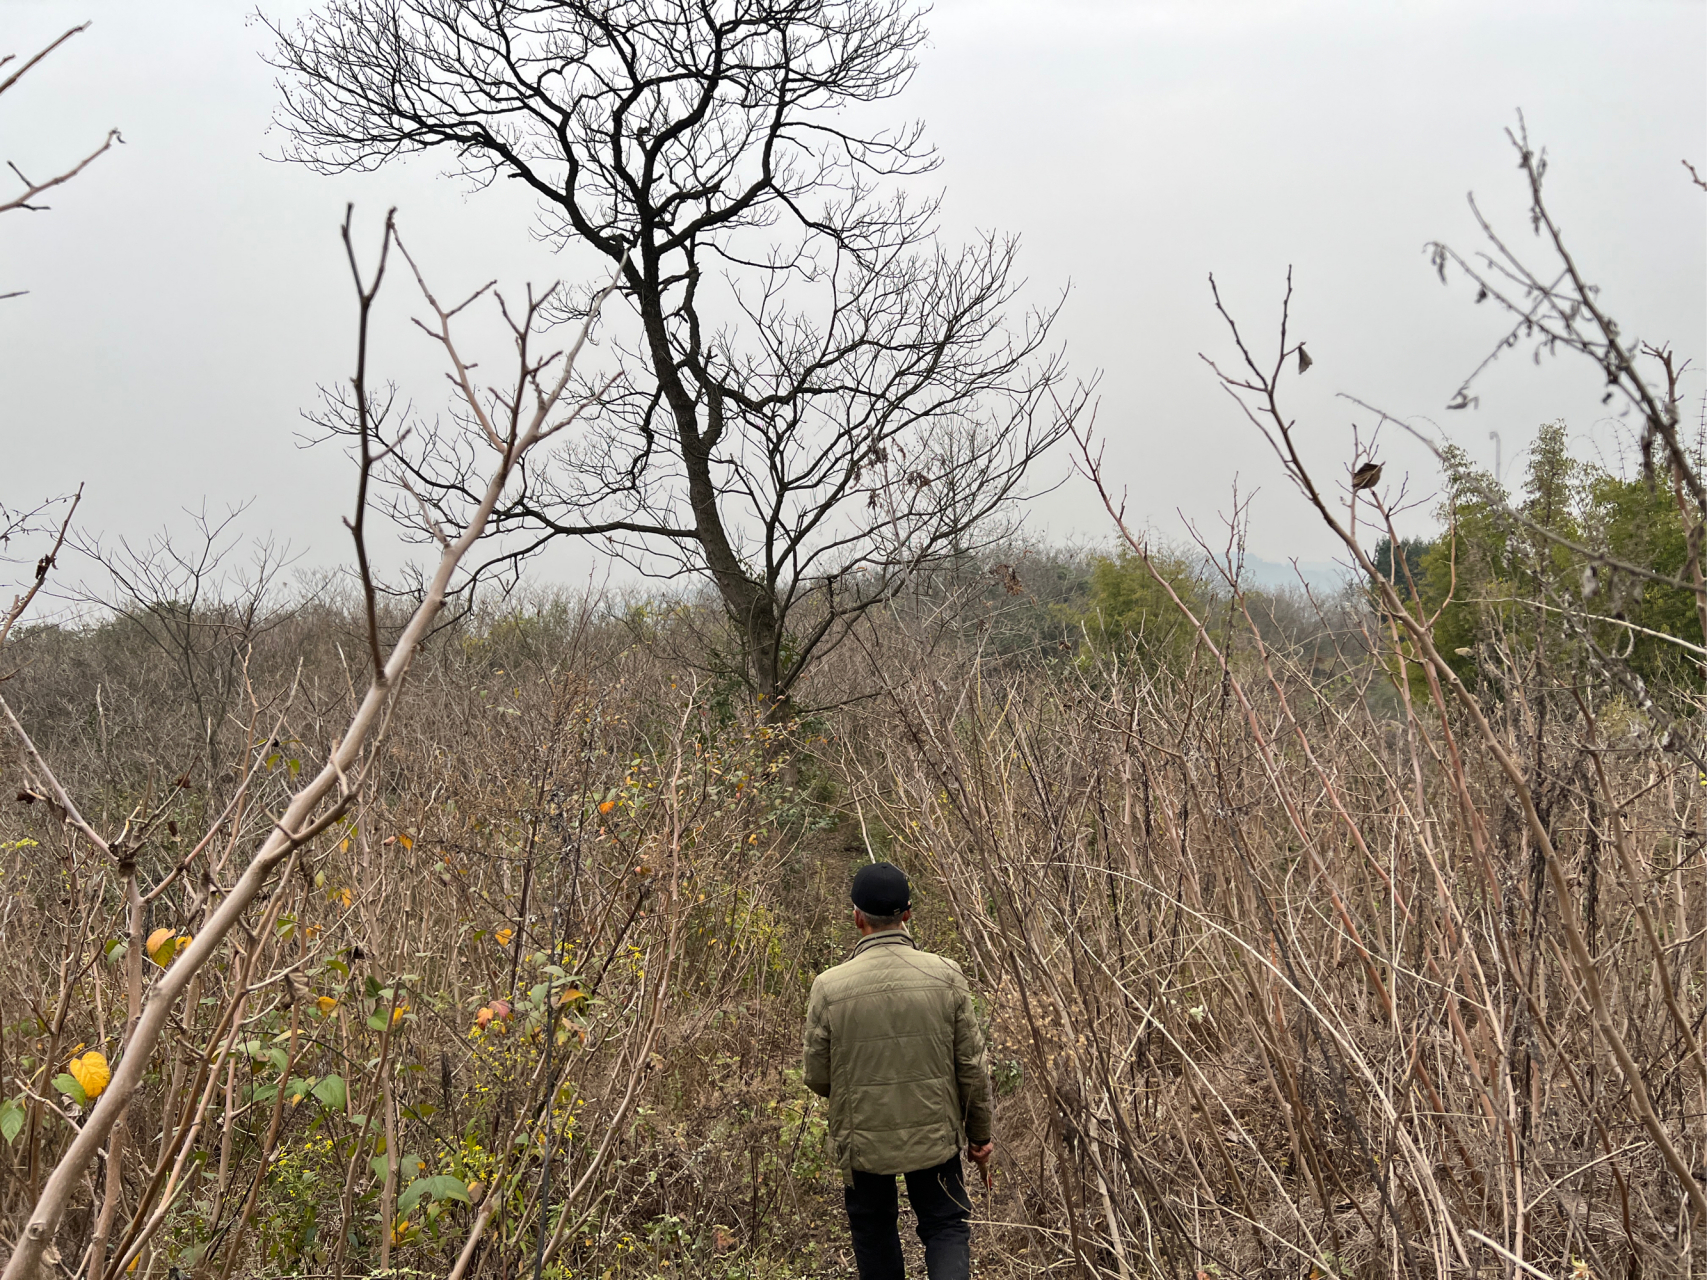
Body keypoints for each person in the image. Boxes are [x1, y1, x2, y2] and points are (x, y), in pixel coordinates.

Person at [803, 861, 993, 1280]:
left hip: (863, 1140)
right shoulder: (946, 975)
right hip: (935, 1137)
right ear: (907, 914)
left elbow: (818, 1075)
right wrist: (979, 1137)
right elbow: (972, 1068)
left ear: (856, 917)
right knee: (945, 1225)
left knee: (874, 1231)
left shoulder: (828, 987)